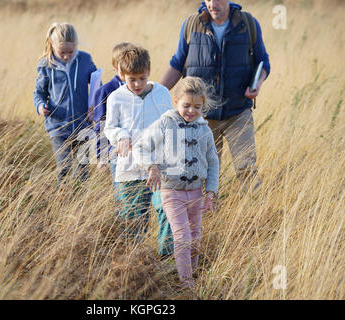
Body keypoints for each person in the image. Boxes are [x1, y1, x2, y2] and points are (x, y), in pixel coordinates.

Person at [160, 0, 271, 193]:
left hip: (238, 113)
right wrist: (156, 94)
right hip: (201, 116)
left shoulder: (248, 24)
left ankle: (257, 215)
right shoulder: (191, 25)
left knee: (247, 168)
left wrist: (257, 84)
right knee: (204, 173)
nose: (212, 4)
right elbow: (177, 64)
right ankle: (208, 218)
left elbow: (263, 62)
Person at [135, 76, 219, 291]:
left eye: (197, 107)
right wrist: (151, 166)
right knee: (182, 236)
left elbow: (213, 162)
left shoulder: (204, 130)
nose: (191, 111)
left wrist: (210, 191)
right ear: (175, 102)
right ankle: (186, 283)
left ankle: (192, 273)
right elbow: (141, 146)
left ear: (203, 105)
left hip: (196, 192)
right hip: (171, 191)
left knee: (196, 235)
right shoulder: (166, 122)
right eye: (186, 105)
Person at [104, 45, 174, 256]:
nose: (137, 84)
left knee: (167, 210)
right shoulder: (116, 97)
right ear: (122, 75)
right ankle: (135, 263)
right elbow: (110, 127)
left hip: (160, 167)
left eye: (142, 78)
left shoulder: (161, 93)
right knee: (134, 218)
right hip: (130, 167)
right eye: (132, 79)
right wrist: (121, 137)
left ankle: (167, 258)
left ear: (149, 71)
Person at [33, 22, 97, 187]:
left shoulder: (85, 59)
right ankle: (62, 198)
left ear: (76, 45)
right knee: (65, 166)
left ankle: (79, 203)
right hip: (58, 126)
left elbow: (97, 83)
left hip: (83, 125)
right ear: (52, 46)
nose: (68, 56)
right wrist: (40, 106)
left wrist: (95, 105)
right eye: (62, 52)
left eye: (71, 51)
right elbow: (39, 93)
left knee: (82, 170)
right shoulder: (45, 65)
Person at [93, 42, 133, 190]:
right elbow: (101, 125)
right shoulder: (106, 91)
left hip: (139, 151)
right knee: (121, 192)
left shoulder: (141, 87)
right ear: (116, 66)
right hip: (115, 151)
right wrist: (102, 156)